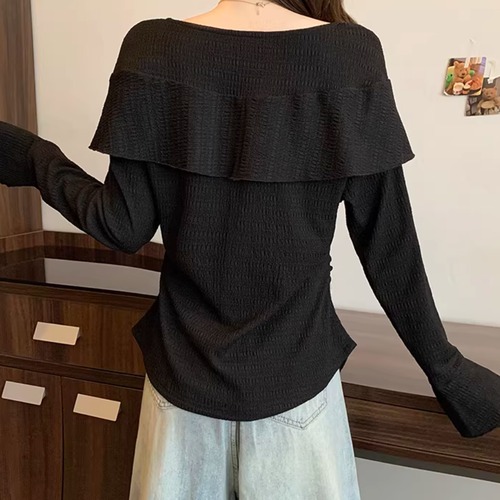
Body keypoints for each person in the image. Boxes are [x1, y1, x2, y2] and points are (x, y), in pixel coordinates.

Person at [1, 1, 499, 499]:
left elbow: (121, 226)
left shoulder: (152, 46)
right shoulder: (350, 54)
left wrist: (34, 157)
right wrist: (448, 371)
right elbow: (389, 245)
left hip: (182, 387)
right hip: (297, 384)